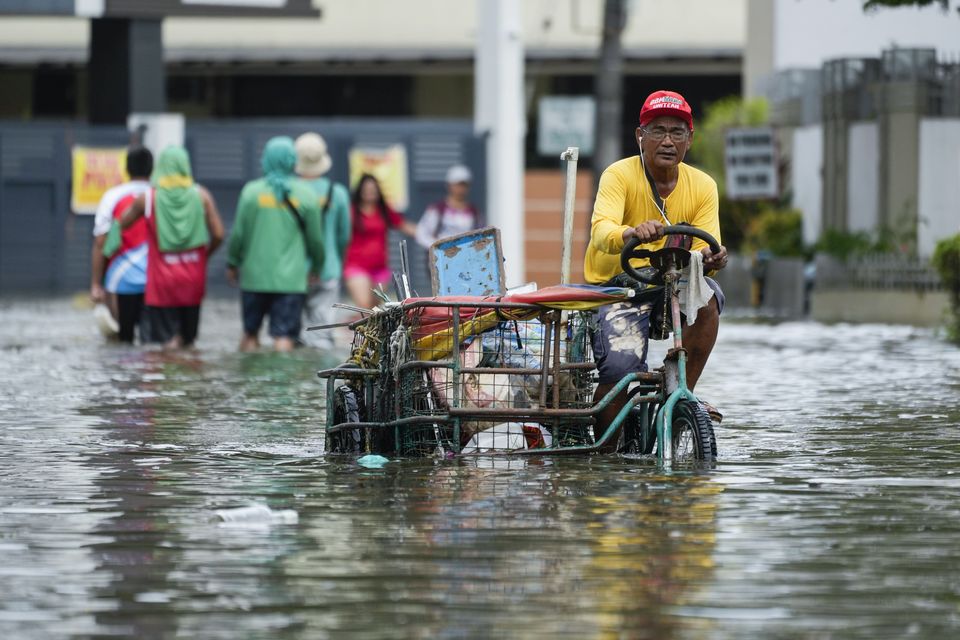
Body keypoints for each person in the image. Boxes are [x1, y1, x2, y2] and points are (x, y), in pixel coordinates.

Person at [585, 89, 729, 440]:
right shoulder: (618, 175)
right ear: (640, 136)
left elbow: (704, 247)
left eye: (677, 132)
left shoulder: (703, 186)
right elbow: (601, 229)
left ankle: (680, 394)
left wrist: (714, 259)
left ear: (689, 140)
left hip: (671, 286)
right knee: (620, 371)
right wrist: (631, 233)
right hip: (616, 288)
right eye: (658, 130)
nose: (668, 141)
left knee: (708, 296)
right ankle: (605, 456)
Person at [121, 145, 225, 349]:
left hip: (162, 283)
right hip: (193, 279)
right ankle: (188, 379)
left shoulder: (149, 198)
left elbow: (122, 223)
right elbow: (219, 234)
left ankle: (168, 378)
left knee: (165, 344)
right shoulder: (201, 195)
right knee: (189, 342)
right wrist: (205, 255)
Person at [227, 136, 324, 352]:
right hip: (290, 281)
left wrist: (233, 263)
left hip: (254, 278)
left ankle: (248, 380)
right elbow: (316, 240)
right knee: (284, 336)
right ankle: (282, 381)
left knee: (250, 334)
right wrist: (316, 267)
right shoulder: (307, 195)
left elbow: (238, 235)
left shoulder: (251, 192)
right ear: (292, 161)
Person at [89, 146, 153, 343]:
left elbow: (101, 242)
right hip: (155, 282)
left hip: (120, 282)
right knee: (152, 347)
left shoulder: (112, 196)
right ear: (152, 169)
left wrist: (96, 284)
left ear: (127, 169)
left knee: (121, 343)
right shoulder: (158, 195)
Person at [293, 132, 351, 349]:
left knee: (291, 336)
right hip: (328, 269)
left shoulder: (289, 191)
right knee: (323, 333)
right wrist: (336, 260)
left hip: (293, 271)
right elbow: (343, 235)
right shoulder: (337, 193)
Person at [343, 173, 416, 311]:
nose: (370, 192)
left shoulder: (383, 210)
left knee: (375, 309)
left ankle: (355, 324)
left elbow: (404, 225)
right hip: (357, 267)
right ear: (360, 191)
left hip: (380, 269)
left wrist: (429, 236)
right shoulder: (351, 212)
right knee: (364, 305)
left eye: (373, 189)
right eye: (366, 189)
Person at [414, 164, 482, 249]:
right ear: (449, 185)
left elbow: (481, 236)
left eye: (464, 185)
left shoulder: (474, 212)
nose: (460, 189)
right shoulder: (437, 210)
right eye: (457, 185)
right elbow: (421, 234)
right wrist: (439, 247)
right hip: (441, 259)